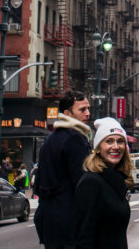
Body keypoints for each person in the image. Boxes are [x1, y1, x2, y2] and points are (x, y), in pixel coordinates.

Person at [34, 90, 92, 249]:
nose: (87, 113)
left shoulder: (51, 139)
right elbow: (82, 184)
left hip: (49, 220)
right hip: (69, 222)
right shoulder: (75, 139)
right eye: (82, 110)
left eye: (88, 109)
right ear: (67, 113)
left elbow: (39, 181)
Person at [75, 118, 132, 249]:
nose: (116, 147)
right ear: (98, 148)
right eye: (109, 141)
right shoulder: (91, 183)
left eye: (120, 141)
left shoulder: (115, 180)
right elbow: (84, 237)